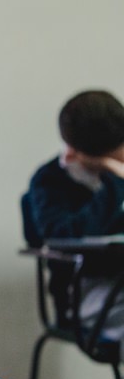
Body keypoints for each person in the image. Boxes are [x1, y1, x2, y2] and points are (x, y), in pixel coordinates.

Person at [27, 89, 124, 337]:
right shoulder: (50, 182)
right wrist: (116, 182)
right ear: (75, 153)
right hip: (84, 292)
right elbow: (67, 238)